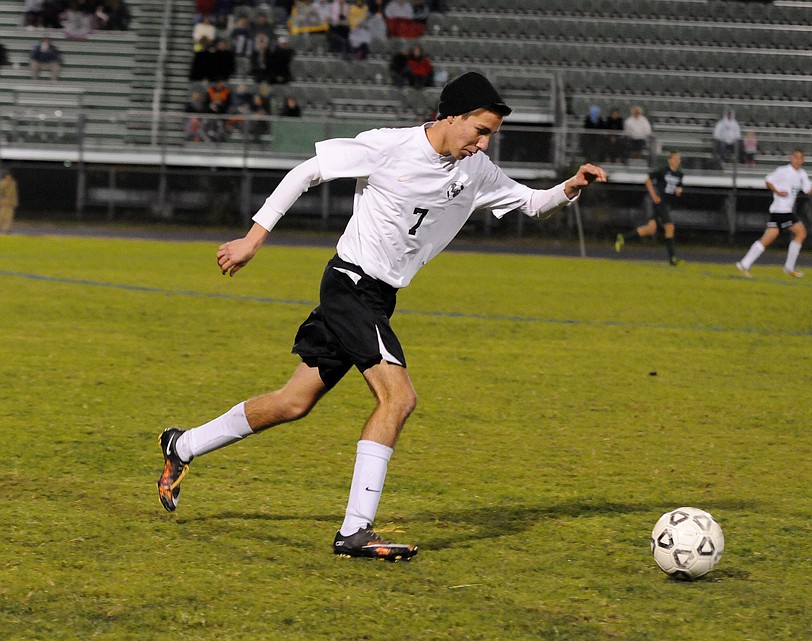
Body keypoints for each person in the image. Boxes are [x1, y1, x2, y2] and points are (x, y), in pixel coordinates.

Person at [156, 71, 607, 561]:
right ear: (450, 115)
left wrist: (571, 186)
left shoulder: (474, 170)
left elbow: (531, 203)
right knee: (399, 397)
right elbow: (306, 173)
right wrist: (253, 239)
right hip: (350, 284)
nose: (482, 143)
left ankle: (182, 444)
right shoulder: (390, 147)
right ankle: (354, 532)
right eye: (478, 130)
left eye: (490, 135)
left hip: (378, 297)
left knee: (292, 402)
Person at [736, 149, 812, 279]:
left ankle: (744, 264)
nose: (798, 160)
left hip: (781, 211)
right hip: (782, 211)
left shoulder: (802, 174)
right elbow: (768, 181)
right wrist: (777, 191)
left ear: (803, 160)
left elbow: (808, 191)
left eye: (800, 158)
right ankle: (789, 267)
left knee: (767, 239)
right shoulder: (783, 171)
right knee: (801, 233)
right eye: (795, 157)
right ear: (791, 158)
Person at [615, 150, 684, 266]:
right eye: (676, 159)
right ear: (670, 159)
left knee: (650, 229)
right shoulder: (663, 171)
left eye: (679, 159)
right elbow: (647, 180)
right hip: (659, 203)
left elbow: (679, 188)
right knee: (669, 227)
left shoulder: (680, 174)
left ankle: (623, 238)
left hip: (666, 204)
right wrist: (654, 195)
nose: (678, 161)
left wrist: (678, 191)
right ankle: (672, 258)